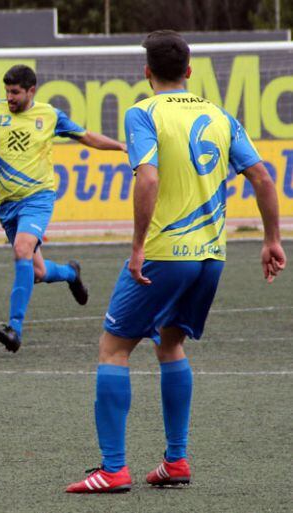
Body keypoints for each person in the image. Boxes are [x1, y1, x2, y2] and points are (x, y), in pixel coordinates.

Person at [66, 30, 286, 494]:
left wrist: (138, 245)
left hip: (166, 253)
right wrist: (271, 239)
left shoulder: (142, 112)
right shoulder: (219, 114)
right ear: (189, 71)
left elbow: (147, 177)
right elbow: (263, 176)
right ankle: (176, 460)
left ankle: (112, 468)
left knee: (114, 348)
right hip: (211, 255)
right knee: (170, 346)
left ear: (146, 73)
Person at [0, 65, 126, 352]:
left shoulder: (49, 115)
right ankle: (71, 273)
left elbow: (86, 136)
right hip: (6, 204)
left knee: (22, 249)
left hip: (38, 199)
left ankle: (14, 329)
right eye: (7, 91)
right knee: (38, 271)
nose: (9, 97)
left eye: (16, 92)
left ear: (31, 91)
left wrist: (119, 146)